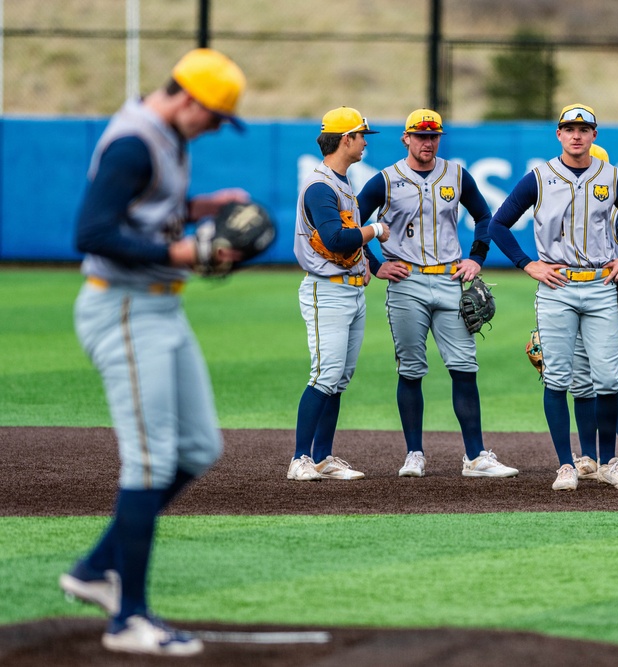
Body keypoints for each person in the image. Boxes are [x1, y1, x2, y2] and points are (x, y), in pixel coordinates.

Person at [58, 48, 250, 656]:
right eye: (215, 116)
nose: (217, 127)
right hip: (122, 307)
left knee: (198, 448)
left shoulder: (170, 137)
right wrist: (180, 254)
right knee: (148, 459)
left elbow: (146, 213)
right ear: (188, 99)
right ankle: (128, 619)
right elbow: (91, 232)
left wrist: (202, 208)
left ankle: (94, 569)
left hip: (161, 307)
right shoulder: (134, 142)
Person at [489, 104, 618, 491]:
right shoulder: (539, 177)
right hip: (556, 287)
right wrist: (528, 264)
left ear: (595, 135)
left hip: (599, 285)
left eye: (584, 128)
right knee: (558, 379)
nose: (577, 134)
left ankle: (612, 463)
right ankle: (566, 465)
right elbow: (498, 225)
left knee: (609, 380)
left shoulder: (613, 177)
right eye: (569, 128)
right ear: (558, 134)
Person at [356, 108, 518, 479]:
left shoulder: (456, 175)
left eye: (433, 136)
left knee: (464, 367)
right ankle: (414, 453)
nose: (427, 142)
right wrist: (376, 264)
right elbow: (353, 222)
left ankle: (475, 456)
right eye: (420, 136)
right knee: (411, 369)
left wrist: (477, 257)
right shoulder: (386, 180)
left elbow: (483, 216)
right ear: (406, 139)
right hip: (406, 282)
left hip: (449, 281)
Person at [286, 107, 390, 482]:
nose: (365, 142)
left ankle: (323, 457)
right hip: (325, 290)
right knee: (325, 374)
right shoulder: (320, 186)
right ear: (345, 139)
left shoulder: (341, 182)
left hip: (351, 290)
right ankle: (300, 459)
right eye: (362, 136)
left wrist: (377, 267)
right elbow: (335, 239)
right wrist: (376, 229)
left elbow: (350, 245)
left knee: (339, 378)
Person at [570, 143, 618, 485]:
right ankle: (588, 457)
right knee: (580, 384)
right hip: (573, 305)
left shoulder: (617, 216)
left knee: (611, 384)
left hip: (606, 307)